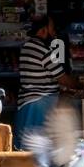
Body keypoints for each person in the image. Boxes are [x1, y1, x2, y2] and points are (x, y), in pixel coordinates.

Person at [13, 15, 76, 150]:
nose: (54, 33)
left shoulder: (27, 47)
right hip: (39, 106)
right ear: (43, 31)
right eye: (51, 29)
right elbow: (63, 78)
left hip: (27, 105)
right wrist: (81, 84)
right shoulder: (44, 51)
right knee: (39, 153)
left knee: (27, 153)